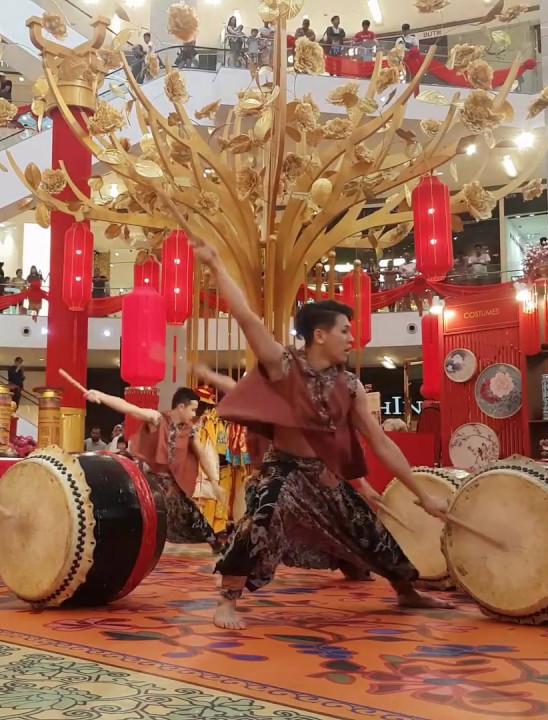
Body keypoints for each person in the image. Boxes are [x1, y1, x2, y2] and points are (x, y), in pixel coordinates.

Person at [189, 235, 451, 629]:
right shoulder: (283, 365)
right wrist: (216, 264)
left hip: (324, 474)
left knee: (367, 528)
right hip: (283, 471)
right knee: (263, 517)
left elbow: (380, 442)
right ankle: (228, 598)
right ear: (320, 335)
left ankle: (406, 590)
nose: (351, 338)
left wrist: (422, 494)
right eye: (344, 330)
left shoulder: (350, 387)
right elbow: (247, 318)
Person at [196, 365, 374, 582]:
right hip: (281, 476)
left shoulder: (305, 402)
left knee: (345, 523)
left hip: (315, 476)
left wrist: (359, 482)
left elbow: (338, 446)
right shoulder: (269, 404)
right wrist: (212, 376)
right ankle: (237, 574)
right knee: (263, 518)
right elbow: (236, 391)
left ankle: (355, 564)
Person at [81, 384, 228, 552]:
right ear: (181, 407)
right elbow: (129, 408)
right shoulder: (157, 419)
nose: (194, 414)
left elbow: (201, 454)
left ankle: (216, 545)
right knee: (148, 517)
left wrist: (214, 482)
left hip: (173, 485)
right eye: (192, 410)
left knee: (193, 516)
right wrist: (100, 395)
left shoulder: (189, 430)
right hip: (153, 483)